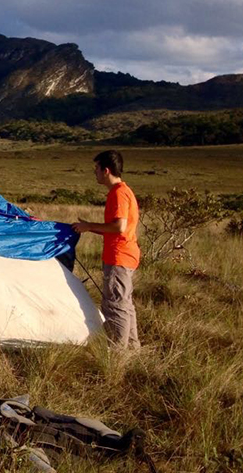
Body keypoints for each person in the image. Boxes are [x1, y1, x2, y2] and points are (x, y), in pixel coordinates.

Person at [71, 150, 141, 350]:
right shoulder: (125, 191)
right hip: (127, 254)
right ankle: (132, 349)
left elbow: (119, 226)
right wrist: (90, 226)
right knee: (125, 304)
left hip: (119, 256)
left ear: (106, 170)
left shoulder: (118, 193)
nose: (95, 172)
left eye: (97, 168)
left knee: (115, 305)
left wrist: (89, 226)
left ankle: (117, 352)